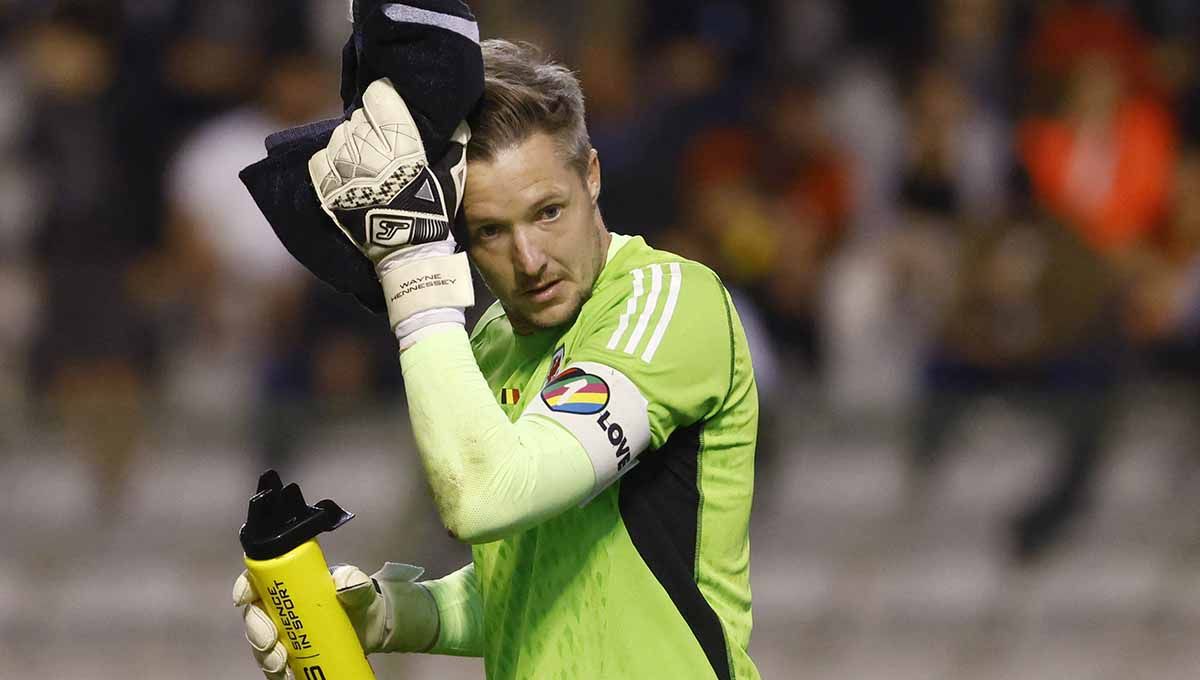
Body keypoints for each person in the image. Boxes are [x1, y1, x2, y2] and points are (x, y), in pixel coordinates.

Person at [234, 39, 761, 680]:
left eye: (548, 212)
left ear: (591, 175)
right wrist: (391, 613)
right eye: (489, 231)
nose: (529, 259)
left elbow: (488, 496)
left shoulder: (669, 302)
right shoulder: (489, 343)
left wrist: (411, 272)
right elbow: (525, 583)